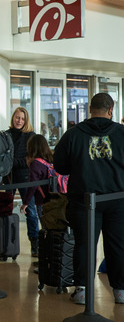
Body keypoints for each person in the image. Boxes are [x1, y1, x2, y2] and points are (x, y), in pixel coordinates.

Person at [53, 93, 124, 305]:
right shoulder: (121, 133)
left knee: (84, 244)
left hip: (84, 200)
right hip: (117, 199)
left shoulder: (73, 134)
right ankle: (120, 291)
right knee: (118, 245)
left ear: (90, 109)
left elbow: (60, 166)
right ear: (110, 110)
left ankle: (82, 290)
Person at [5, 107, 39, 256]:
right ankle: (6, 245)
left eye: (22, 118)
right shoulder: (5, 135)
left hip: (26, 178)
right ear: (13, 118)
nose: (19, 121)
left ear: (26, 121)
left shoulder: (31, 136)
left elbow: (29, 159)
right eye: (17, 117)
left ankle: (35, 243)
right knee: (4, 210)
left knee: (31, 211)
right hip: (9, 177)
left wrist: (10, 163)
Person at [20, 134, 53, 220]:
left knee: (46, 225)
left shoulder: (36, 164)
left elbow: (33, 185)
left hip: (43, 201)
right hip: (56, 198)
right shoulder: (51, 160)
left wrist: (26, 203)